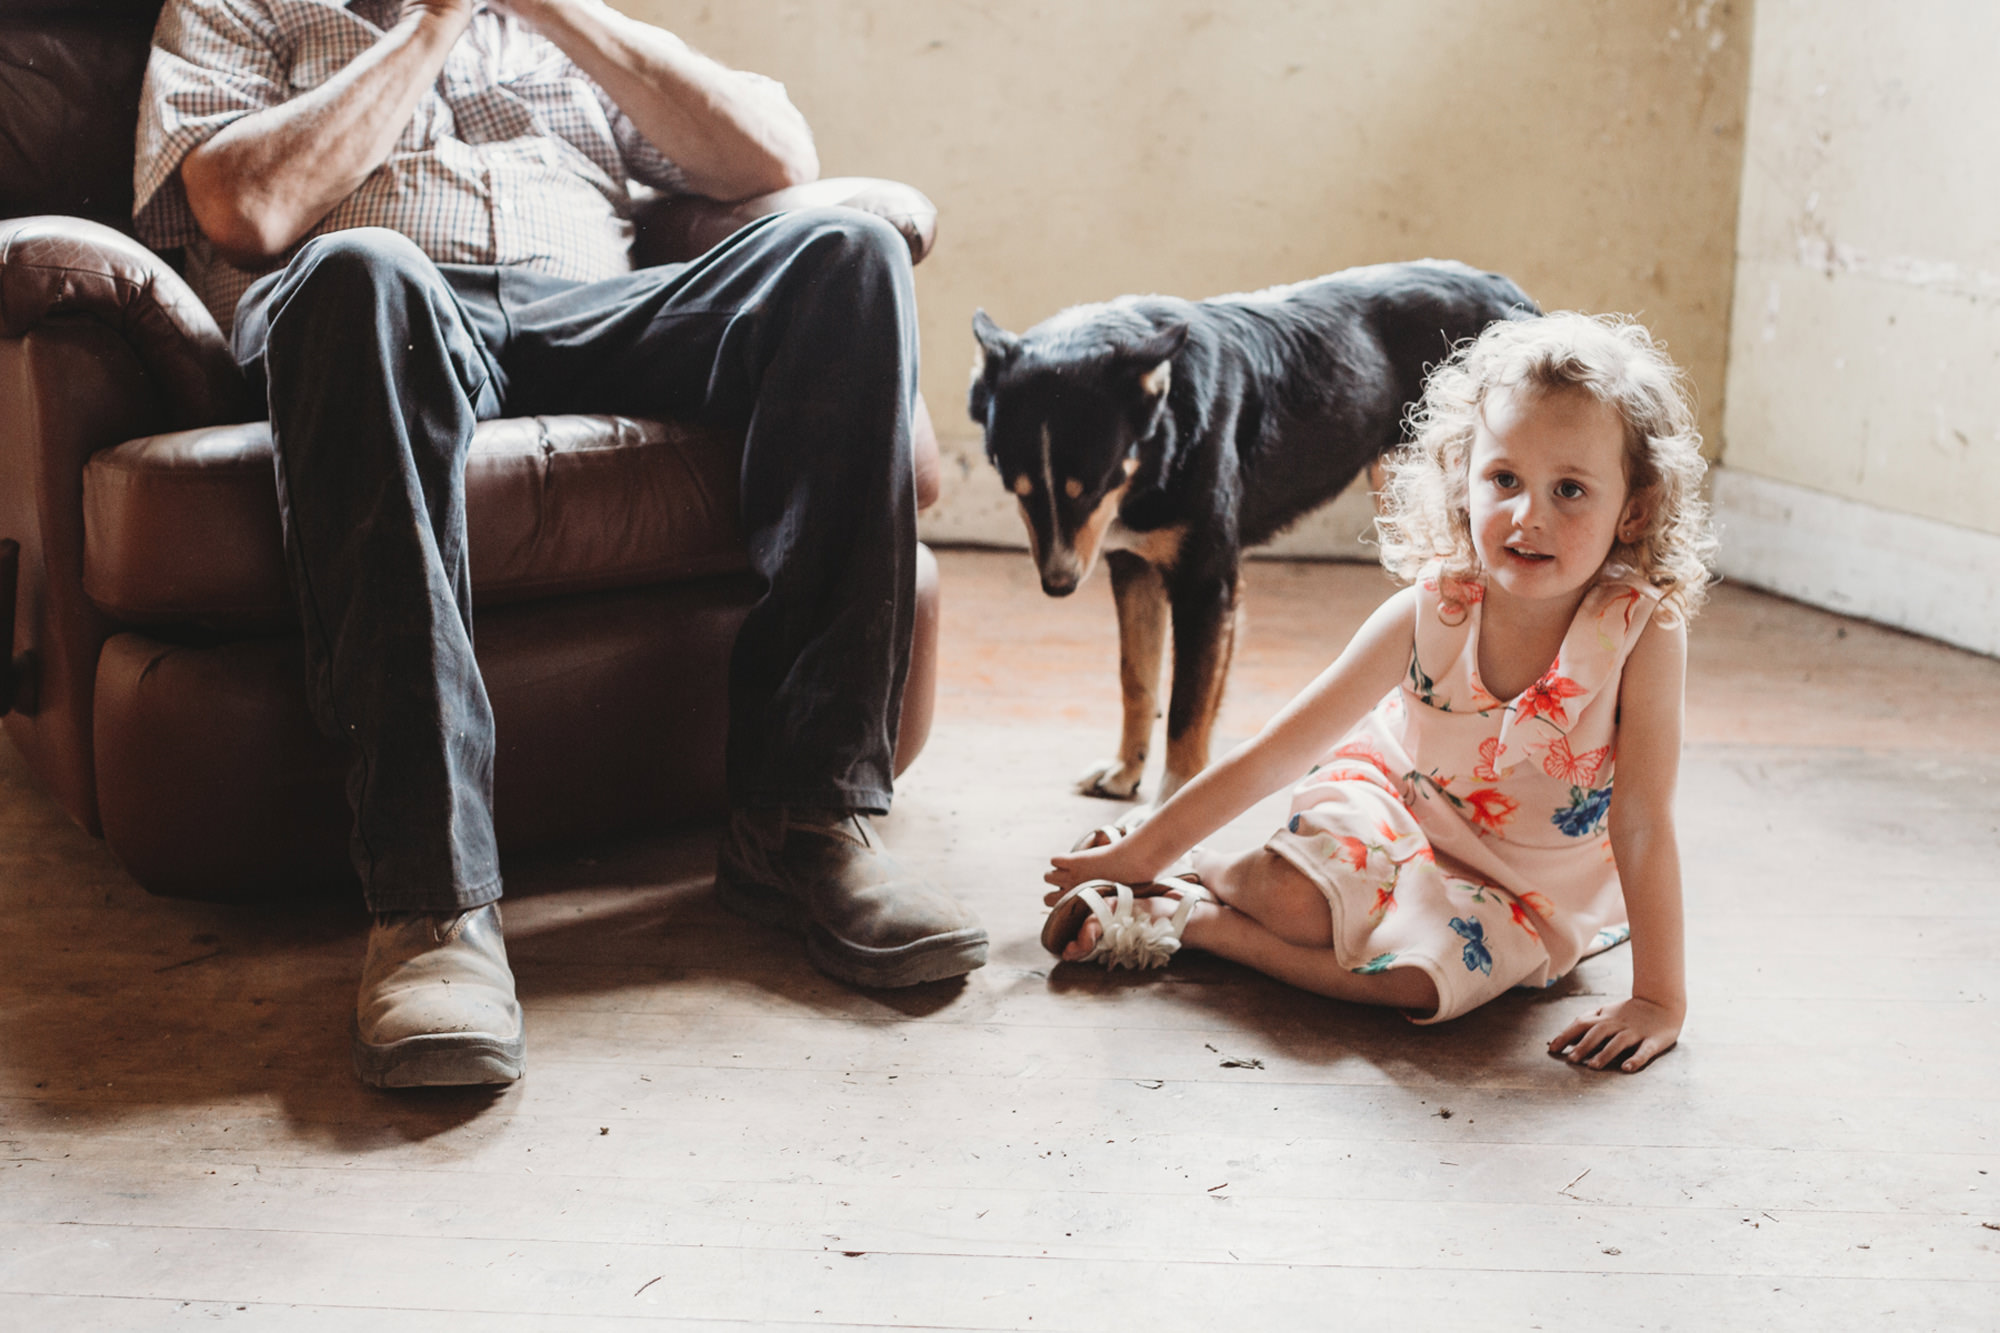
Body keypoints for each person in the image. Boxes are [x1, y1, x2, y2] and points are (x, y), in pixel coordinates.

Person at [133, 0, 987, 1089]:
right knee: (362, 269)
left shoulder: (557, 25)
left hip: (588, 308)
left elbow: (774, 154)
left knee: (845, 251)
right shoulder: (238, 7)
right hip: (379, 314)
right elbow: (245, 206)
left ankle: (806, 816)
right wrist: (436, 17)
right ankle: (430, 903)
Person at [1040, 312, 1715, 1073]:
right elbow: (1277, 755)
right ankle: (1183, 868)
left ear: (1635, 507)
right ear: (1464, 478)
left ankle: (1185, 916)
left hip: (1526, 886)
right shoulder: (1431, 609)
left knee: (1421, 984)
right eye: (1504, 479)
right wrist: (1139, 848)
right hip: (1392, 803)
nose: (1529, 516)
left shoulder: (1643, 631)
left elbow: (1645, 822)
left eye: (1570, 489)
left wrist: (1659, 997)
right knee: (1297, 902)